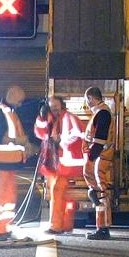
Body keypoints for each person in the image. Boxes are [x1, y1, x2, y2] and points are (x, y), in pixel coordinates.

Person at [0, 85, 32, 241]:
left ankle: (4, 227)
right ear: (12, 95)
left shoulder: (10, 112)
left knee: (8, 198)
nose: (21, 104)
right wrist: (19, 141)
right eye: (20, 100)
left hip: (9, 163)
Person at [32, 94, 86, 234]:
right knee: (64, 196)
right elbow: (40, 133)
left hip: (66, 165)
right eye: (51, 107)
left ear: (61, 105)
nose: (53, 109)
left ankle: (56, 226)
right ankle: (65, 225)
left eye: (56, 106)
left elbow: (78, 135)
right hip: (58, 165)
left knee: (58, 192)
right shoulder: (52, 119)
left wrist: (60, 141)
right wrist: (42, 117)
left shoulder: (68, 118)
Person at [81, 87, 115, 239]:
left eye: (87, 100)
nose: (87, 104)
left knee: (100, 193)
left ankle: (103, 229)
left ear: (90, 98)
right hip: (99, 156)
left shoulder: (102, 113)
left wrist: (91, 157)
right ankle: (101, 227)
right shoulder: (101, 112)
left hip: (99, 157)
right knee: (98, 193)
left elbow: (99, 140)